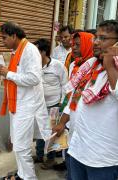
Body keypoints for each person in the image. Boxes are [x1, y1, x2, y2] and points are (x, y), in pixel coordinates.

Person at [54, 20, 118, 180]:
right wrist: (62, 122)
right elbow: (75, 99)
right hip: (77, 149)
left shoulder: (112, 68)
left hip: (101, 159)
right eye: (95, 37)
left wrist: (110, 67)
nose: (96, 42)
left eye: (103, 38)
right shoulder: (91, 66)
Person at [0, 22, 50, 180]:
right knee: (18, 145)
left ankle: (28, 177)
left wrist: (9, 74)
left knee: (21, 147)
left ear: (14, 36)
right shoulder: (17, 51)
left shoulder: (30, 50)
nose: (3, 41)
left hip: (27, 107)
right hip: (18, 106)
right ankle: (22, 174)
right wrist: (7, 73)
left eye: (4, 38)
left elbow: (34, 78)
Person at [53, 31, 94, 178]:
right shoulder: (75, 65)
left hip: (91, 141)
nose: (73, 47)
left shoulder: (96, 71)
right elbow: (73, 97)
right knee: (70, 161)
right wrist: (63, 121)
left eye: (78, 45)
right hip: (72, 118)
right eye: (73, 44)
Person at [33, 38, 68, 169]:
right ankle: (40, 155)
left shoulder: (58, 66)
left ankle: (51, 159)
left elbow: (65, 85)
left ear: (43, 52)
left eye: (36, 51)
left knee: (51, 133)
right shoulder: (34, 65)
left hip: (54, 106)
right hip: (38, 105)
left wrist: (61, 104)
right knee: (39, 131)